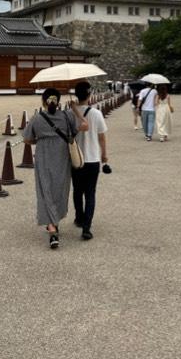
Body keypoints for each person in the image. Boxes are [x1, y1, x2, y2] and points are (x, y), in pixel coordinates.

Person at [23, 87, 88, 249]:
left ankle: (52, 228)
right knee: (60, 188)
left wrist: (42, 141)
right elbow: (73, 133)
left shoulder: (37, 118)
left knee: (45, 189)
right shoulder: (67, 116)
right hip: (62, 156)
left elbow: (27, 139)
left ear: (43, 101)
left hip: (43, 156)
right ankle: (55, 220)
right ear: (58, 101)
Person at [71, 80, 108, 240]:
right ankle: (87, 227)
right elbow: (102, 137)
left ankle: (79, 218)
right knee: (90, 193)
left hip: (76, 159)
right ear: (90, 95)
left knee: (77, 191)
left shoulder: (70, 114)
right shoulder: (96, 114)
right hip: (92, 158)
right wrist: (104, 154)